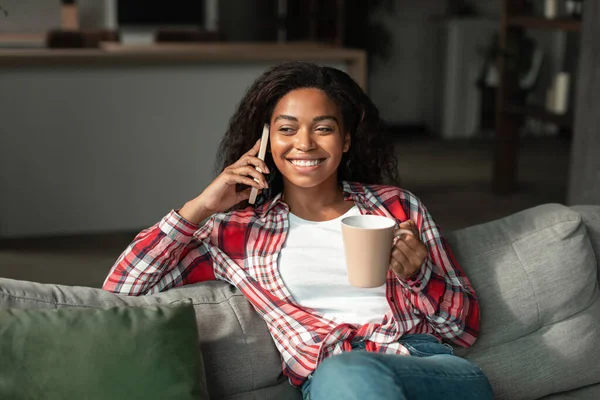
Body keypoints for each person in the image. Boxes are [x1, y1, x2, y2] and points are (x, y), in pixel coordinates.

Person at [103, 61, 494, 400]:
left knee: (351, 375)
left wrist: (417, 275)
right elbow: (121, 290)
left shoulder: (396, 206)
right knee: (345, 375)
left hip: (427, 364)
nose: (304, 144)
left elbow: (463, 331)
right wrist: (200, 207)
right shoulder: (235, 233)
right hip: (331, 379)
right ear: (267, 141)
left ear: (345, 141)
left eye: (322, 129)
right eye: (287, 129)